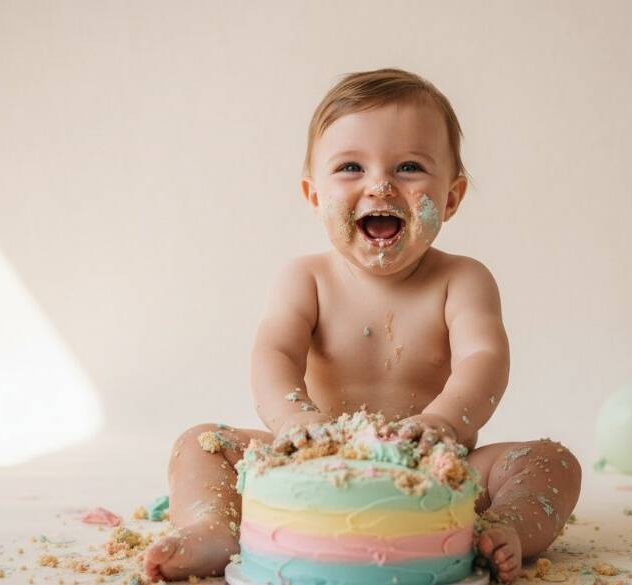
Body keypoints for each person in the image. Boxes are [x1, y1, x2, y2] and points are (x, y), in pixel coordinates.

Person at [145, 67, 581, 583]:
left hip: (434, 470)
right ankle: (212, 526)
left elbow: (484, 359)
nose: (380, 184)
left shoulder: (462, 280)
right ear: (313, 196)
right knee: (202, 443)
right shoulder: (305, 278)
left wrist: (442, 425)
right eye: (351, 166)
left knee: (552, 461)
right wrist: (295, 424)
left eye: (410, 167)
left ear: (451, 198)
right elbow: (274, 355)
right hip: (312, 458)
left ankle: (500, 527)